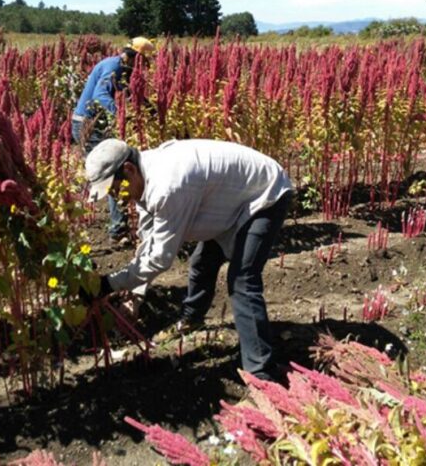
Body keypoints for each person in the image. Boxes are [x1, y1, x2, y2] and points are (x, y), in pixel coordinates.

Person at [84, 138, 294, 382]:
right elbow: (149, 241)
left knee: (242, 281)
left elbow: (160, 257)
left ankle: (261, 372)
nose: (116, 197)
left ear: (128, 170)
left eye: (113, 189)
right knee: (202, 263)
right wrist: (136, 294)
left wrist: (108, 284)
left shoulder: (168, 185)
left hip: (264, 194)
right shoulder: (143, 176)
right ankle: (192, 320)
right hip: (229, 200)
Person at [71, 37, 155, 242]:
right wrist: (122, 114)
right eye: (143, 62)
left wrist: (150, 107)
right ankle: (117, 228)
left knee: (109, 173)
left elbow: (129, 92)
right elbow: (100, 95)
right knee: (112, 173)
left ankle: (115, 224)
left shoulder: (123, 69)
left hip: (95, 124)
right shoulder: (114, 66)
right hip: (88, 125)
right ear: (134, 57)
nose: (143, 68)